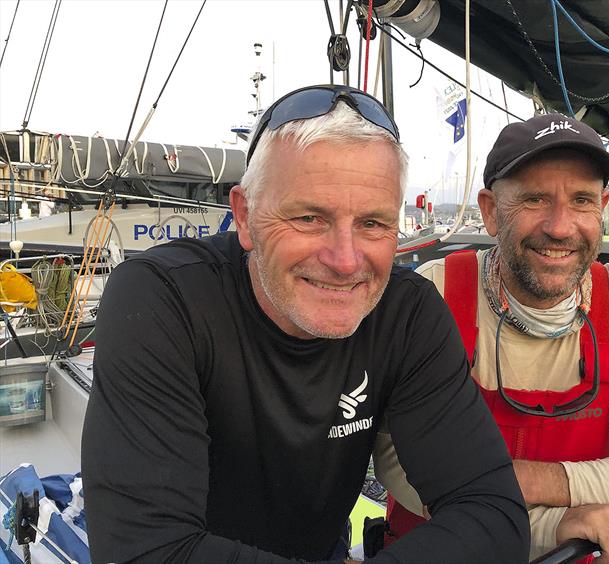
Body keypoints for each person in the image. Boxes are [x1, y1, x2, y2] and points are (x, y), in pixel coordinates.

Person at [81, 85, 530, 563]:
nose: (344, 259)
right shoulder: (163, 300)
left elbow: (494, 514)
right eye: (310, 217)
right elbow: (147, 551)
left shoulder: (406, 314)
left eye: (373, 224)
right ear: (246, 216)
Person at [375, 113, 609, 563]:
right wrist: (555, 525)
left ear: (603, 207)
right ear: (490, 211)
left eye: (583, 200)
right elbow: (400, 466)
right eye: (534, 199)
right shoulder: (434, 296)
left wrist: (512, 479)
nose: (561, 227)